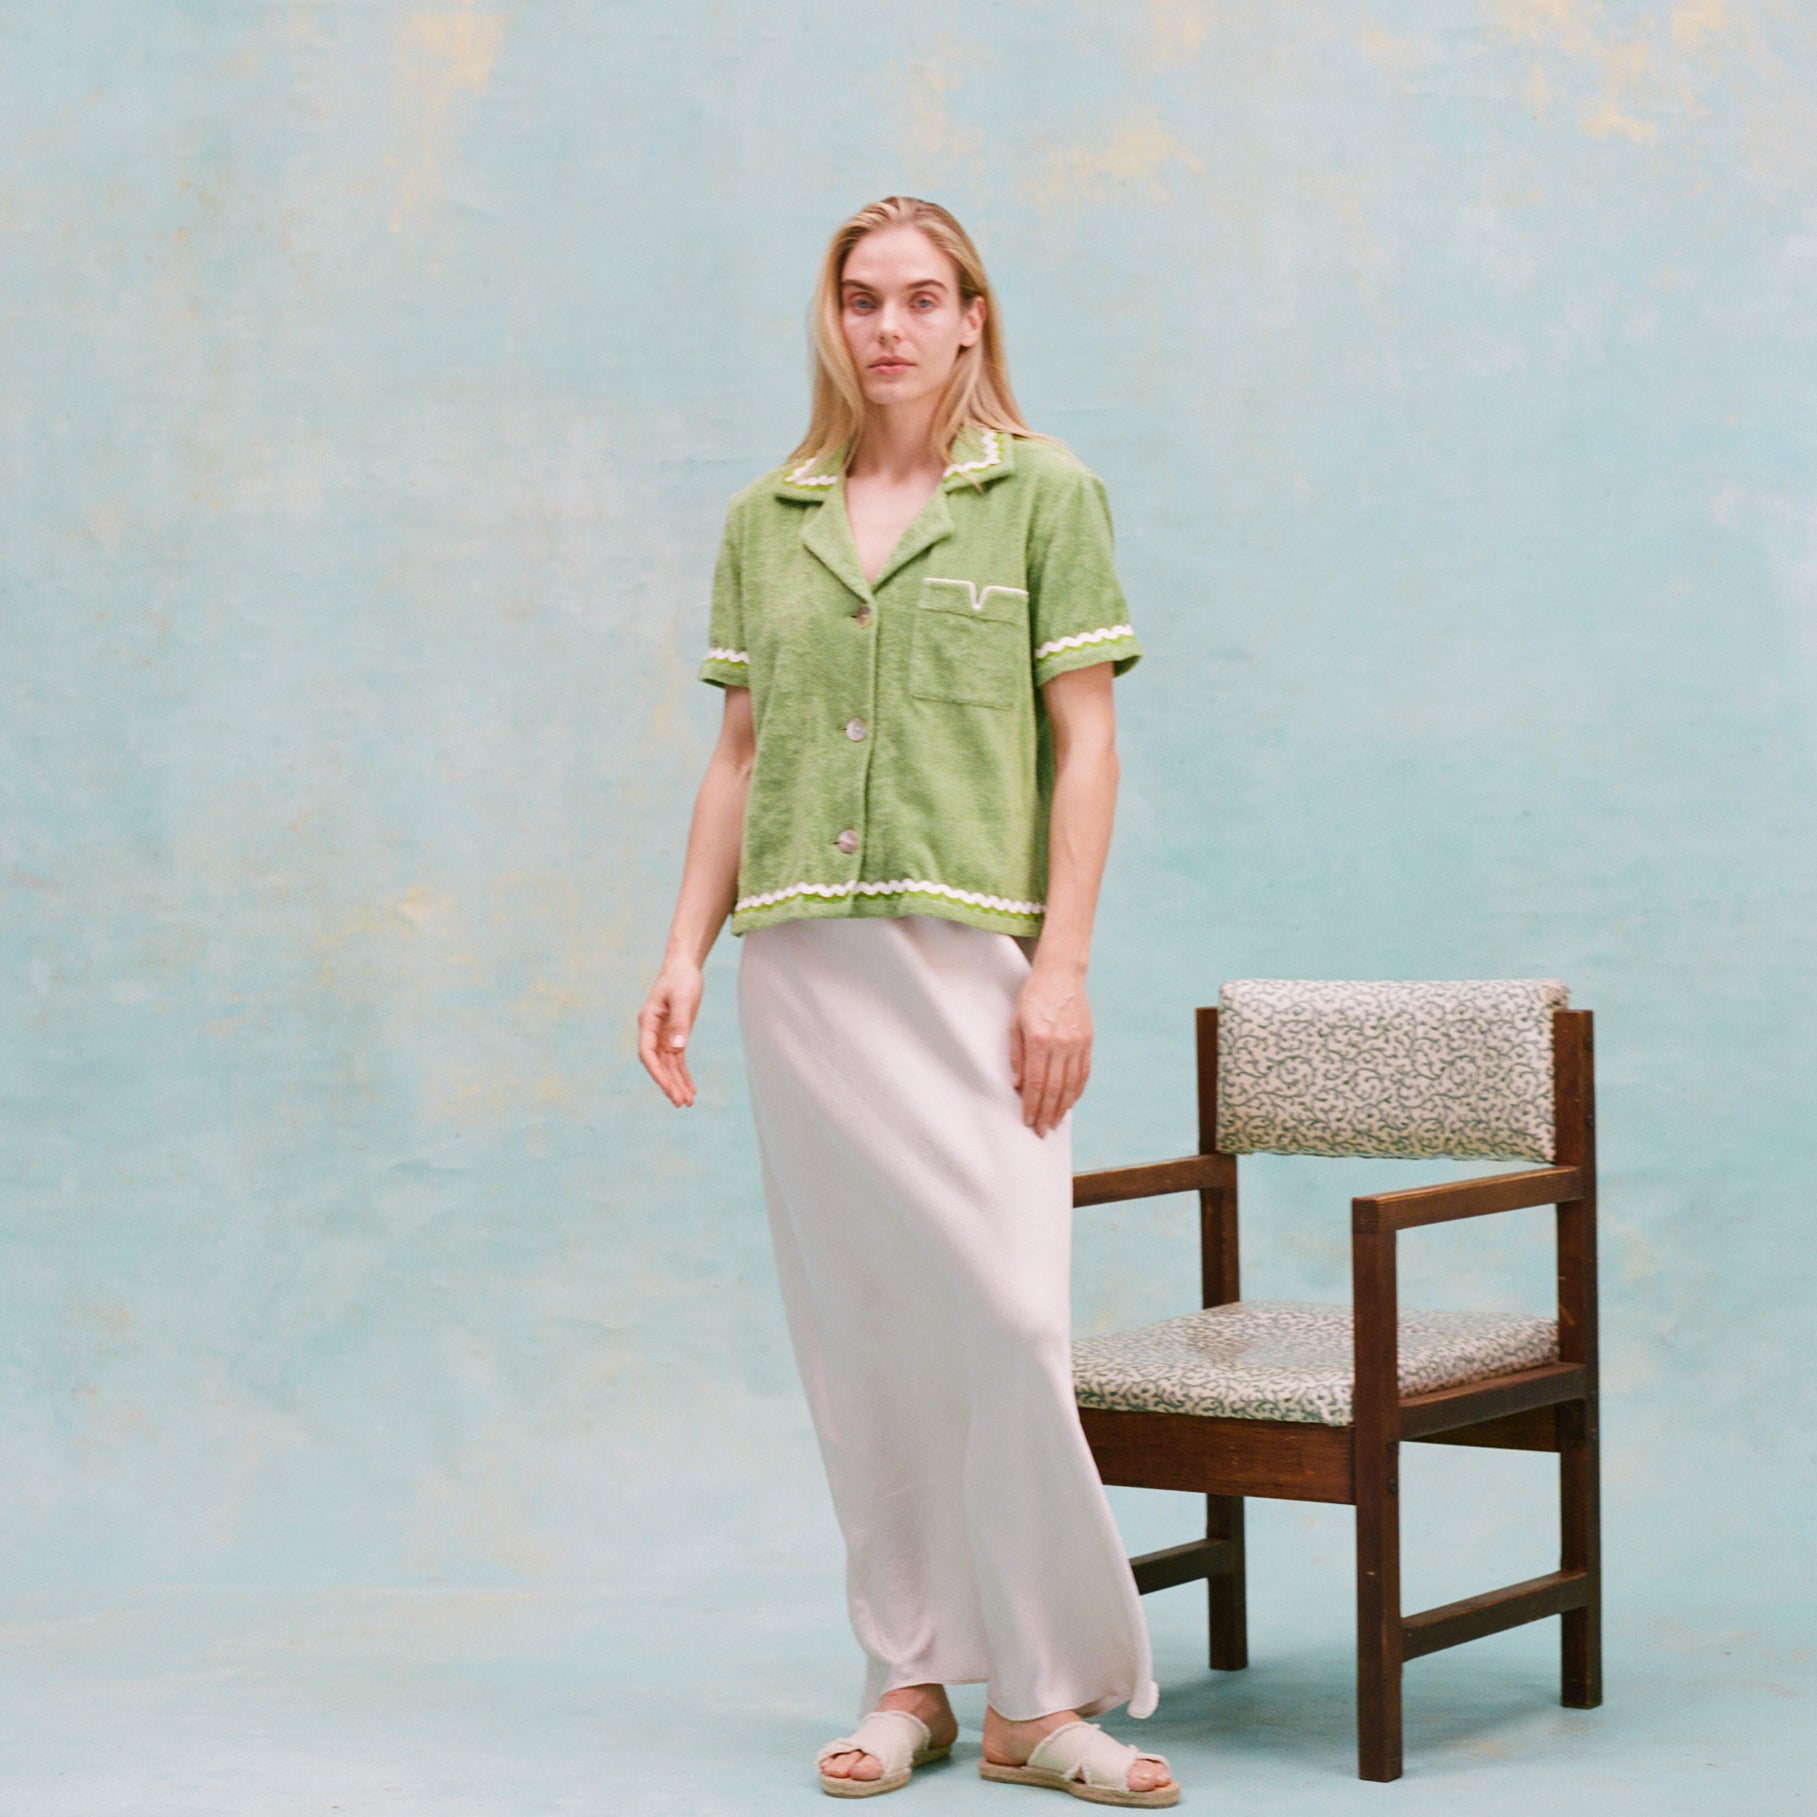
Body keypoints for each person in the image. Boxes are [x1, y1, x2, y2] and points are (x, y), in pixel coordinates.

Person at [638, 196, 1179, 1808]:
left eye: (919, 297)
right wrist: (680, 946)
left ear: (971, 316)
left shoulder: (1044, 496)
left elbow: (1084, 740)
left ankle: (1044, 1696)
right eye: (861, 298)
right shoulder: (768, 516)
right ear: (834, 319)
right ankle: (914, 1677)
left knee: (1009, 1321)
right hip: (802, 964)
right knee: (863, 1336)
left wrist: (1064, 967)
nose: (887, 325)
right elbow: (737, 757)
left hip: (973, 963)